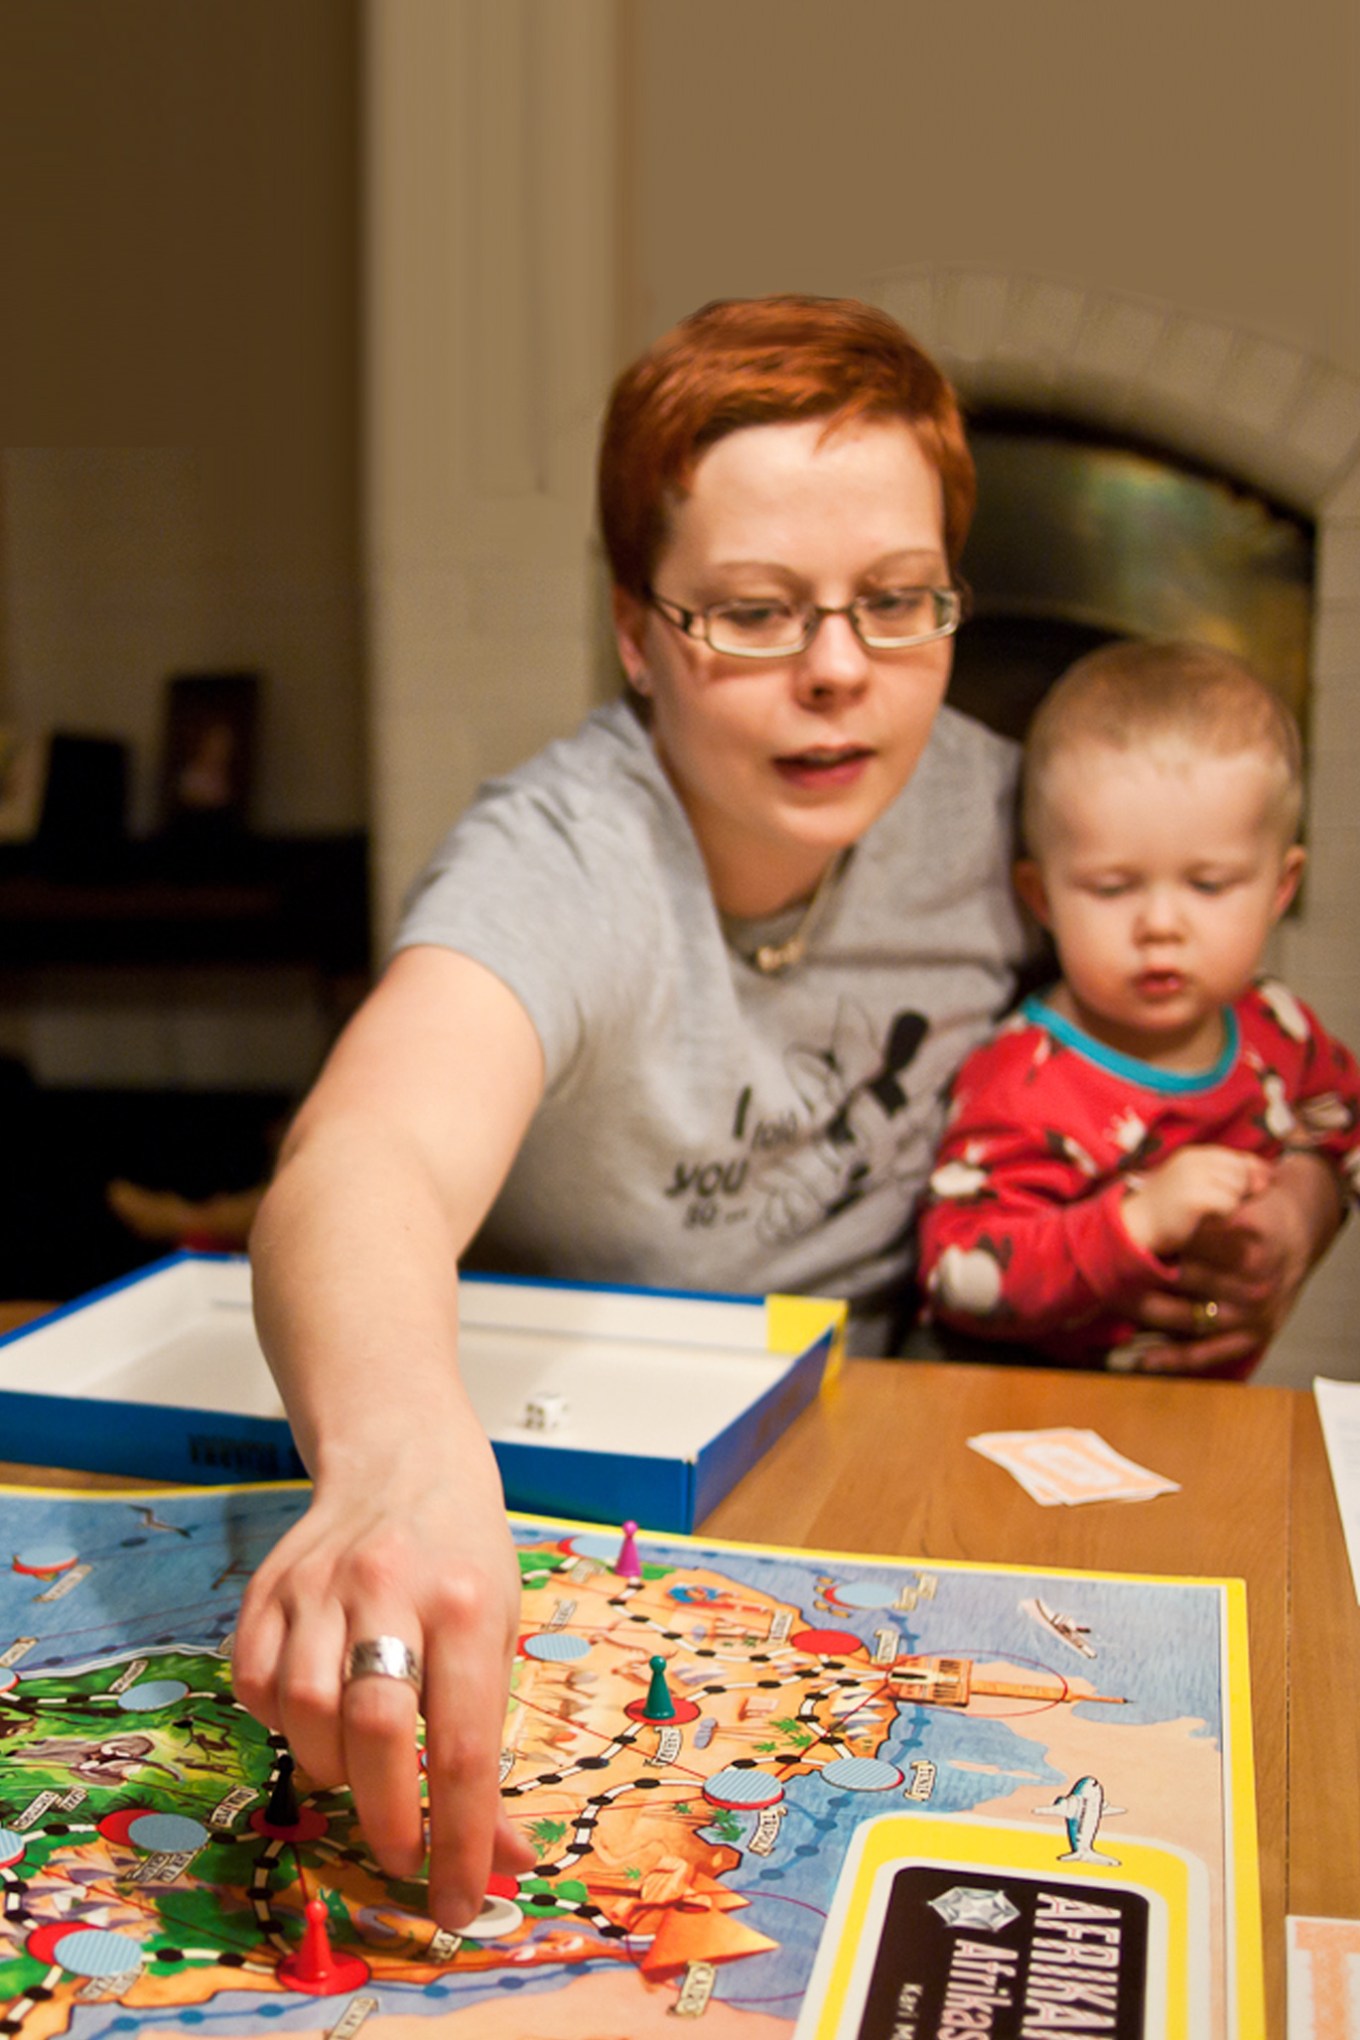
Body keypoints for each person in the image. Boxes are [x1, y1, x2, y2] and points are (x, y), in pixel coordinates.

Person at [233, 301, 1342, 1930]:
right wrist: (393, 1464)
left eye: (895, 604)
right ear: (636, 631)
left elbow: (1245, 1047)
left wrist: (1301, 1196)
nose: (837, 672)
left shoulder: (1017, 816)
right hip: (581, 1504)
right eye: (752, 614)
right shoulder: (564, 853)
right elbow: (363, 1153)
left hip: (897, 1474)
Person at [918, 639, 1358, 1376]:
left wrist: (1299, 1210)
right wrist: (1132, 1223)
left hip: (1199, 1419)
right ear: (1041, 896)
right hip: (1022, 1419)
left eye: (1209, 885)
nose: (1161, 924)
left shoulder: (1279, 1031)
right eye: (1114, 887)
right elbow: (957, 1274)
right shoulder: (1023, 1079)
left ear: (1281, 889)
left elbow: (1341, 1118)